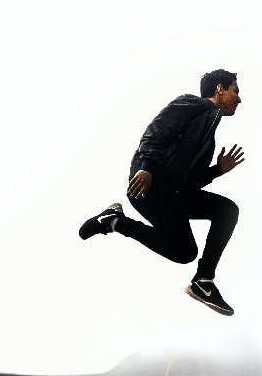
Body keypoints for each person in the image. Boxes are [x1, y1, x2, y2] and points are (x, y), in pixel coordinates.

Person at [78, 69, 245, 315]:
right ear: (219, 89)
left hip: (175, 193)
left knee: (216, 221)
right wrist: (146, 167)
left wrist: (217, 170)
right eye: (236, 91)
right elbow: (157, 132)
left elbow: (192, 182)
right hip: (150, 186)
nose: (239, 99)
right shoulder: (191, 104)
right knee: (187, 248)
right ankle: (115, 222)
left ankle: (203, 282)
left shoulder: (209, 136)